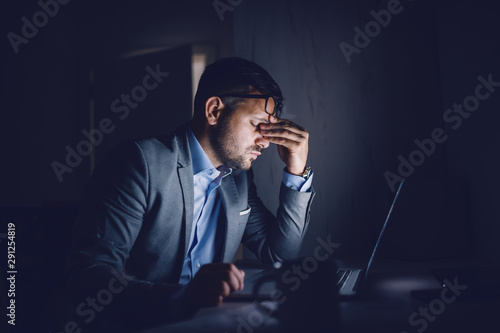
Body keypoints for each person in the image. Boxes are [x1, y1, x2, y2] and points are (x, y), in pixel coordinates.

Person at [60, 57, 315, 332]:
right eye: (257, 124)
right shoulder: (139, 162)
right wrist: (183, 297)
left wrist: (296, 170)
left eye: (271, 128)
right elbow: (87, 276)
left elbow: (279, 255)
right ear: (214, 110)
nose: (266, 140)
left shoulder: (238, 178)